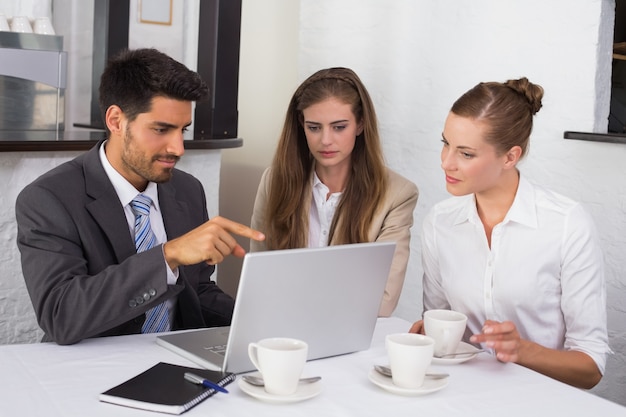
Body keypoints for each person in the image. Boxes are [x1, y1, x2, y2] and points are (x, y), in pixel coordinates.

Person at [15, 48, 265, 345]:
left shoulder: (188, 190)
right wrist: (167, 256)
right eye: (161, 129)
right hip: (90, 369)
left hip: (175, 360)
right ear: (116, 121)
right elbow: (61, 316)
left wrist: (260, 324)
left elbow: (196, 291)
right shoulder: (49, 199)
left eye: (182, 130)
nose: (178, 148)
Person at [409, 78, 610, 389]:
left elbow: (591, 367)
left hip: (541, 402)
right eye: (445, 143)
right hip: (461, 395)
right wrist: (430, 333)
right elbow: (442, 324)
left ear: (510, 157)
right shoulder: (440, 223)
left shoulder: (566, 224)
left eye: (466, 154)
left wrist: (522, 350)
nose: (445, 162)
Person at [250, 67, 418, 316]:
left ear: (360, 124)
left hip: (351, 337)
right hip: (282, 332)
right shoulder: (275, 180)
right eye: (314, 127)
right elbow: (259, 276)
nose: (325, 140)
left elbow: (383, 301)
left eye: (339, 127)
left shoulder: (398, 194)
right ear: (301, 125)